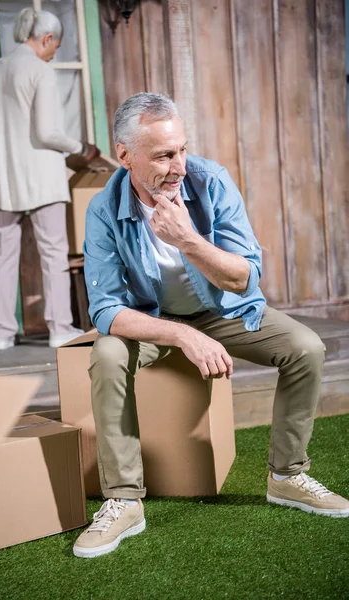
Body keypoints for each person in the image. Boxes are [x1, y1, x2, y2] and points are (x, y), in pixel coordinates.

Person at [73, 92, 349, 559]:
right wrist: (183, 334)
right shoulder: (104, 209)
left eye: (181, 149)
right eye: (163, 155)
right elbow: (105, 311)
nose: (178, 165)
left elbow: (244, 278)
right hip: (155, 319)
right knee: (106, 352)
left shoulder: (211, 181)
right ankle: (123, 500)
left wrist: (188, 240)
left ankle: (286, 476)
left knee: (305, 347)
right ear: (125, 156)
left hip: (224, 311)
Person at [0, 8, 100, 350]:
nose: (54, 53)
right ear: (46, 39)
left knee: (2, 255)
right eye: (55, 47)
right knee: (53, 252)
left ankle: (2, 334)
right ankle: (60, 328)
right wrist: (81, 147)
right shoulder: (40, 71)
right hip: (39, 176)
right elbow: (48, 133)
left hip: (1, 177)